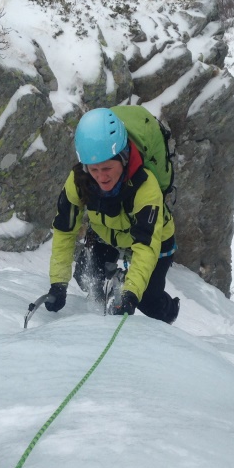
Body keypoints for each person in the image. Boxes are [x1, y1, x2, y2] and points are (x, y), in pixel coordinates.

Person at [44, 108, 180, 323]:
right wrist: (58, 283)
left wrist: (131, 294)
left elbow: (145, 246)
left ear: (124, 158)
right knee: (86, 276)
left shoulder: (146, 186)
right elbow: (64, 229)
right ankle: (111, 286)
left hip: (155, 240)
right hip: (107, 233)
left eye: (107, 168)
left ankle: (171, 311)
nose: (101, 177)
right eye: (94, 170)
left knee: (149, 302)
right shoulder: (80, 179)